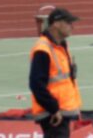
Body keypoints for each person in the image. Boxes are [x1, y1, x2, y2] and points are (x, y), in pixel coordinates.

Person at [30, 8, 83, 138]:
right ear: (56, 23)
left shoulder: (61, 46)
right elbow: (36, 85)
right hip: (53, 114)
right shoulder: (43, 49)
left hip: (61, 112)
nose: (72, 26)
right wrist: (54, 109)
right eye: (69, 22)